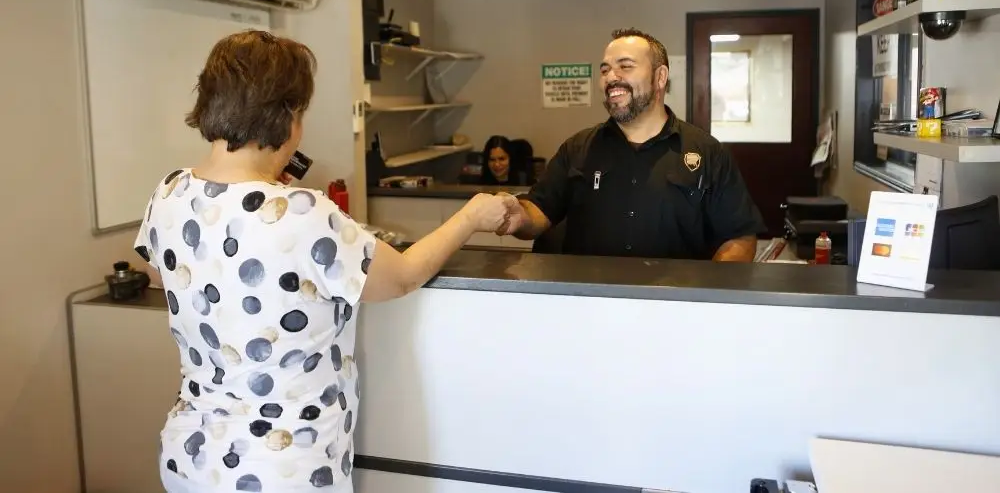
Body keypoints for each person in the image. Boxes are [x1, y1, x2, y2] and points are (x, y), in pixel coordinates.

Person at [133, 30, 514, 493]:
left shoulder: (169, 191)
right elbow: (402, 276)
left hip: (189, 454)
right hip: (281, 466)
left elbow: (164, 273)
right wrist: (472, 214)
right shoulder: (301, 212)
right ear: (286, 113)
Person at [499, 27, 765, 261]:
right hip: (589, 304)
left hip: (673, 308)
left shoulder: (708, 153)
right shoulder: (577, 148)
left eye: (625, 66)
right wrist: (517, 215)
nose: (610, 77)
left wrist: (710, 299)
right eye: (605, 69)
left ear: (660, 77)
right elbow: (540, 209)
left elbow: (739, 237)